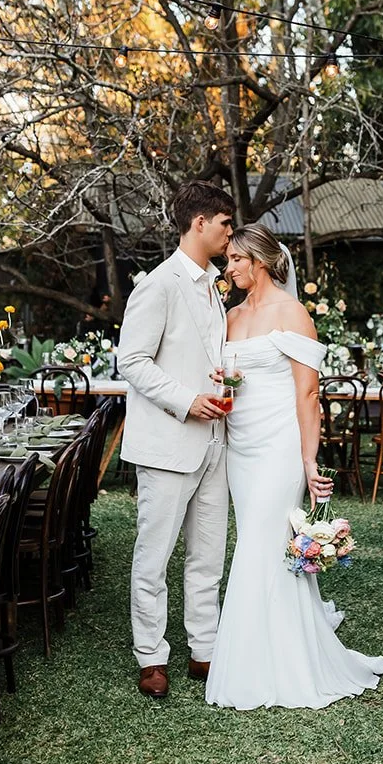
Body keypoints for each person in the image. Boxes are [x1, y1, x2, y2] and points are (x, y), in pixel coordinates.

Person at [205, 223, 383, 709]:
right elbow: (227, 379)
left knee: (258, 547)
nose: (229, 268)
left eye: (236, 261)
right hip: (239, 446)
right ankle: (269, 648)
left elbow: (308, 393)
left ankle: (263, 664)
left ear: (260, 261)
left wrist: (309, 461)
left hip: (280, 446)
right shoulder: (231, 315)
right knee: (253, 541)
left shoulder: (293, 312)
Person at [115, 181, 236, 699]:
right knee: (154, 555)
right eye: (226, 222)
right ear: (200, 223)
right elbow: (132, 361)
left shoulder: (214, 286)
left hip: (215, 443)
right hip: (168, 443)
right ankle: (151, 657)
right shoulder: (158, 284)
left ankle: (203, 649)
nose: (231, 231)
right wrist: (186, 401)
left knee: (208, 554)